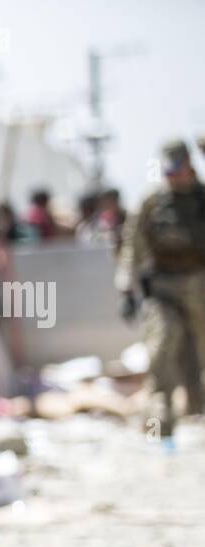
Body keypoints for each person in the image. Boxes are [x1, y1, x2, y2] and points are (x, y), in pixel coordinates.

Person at [116, 139, 205, 436]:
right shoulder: (152, 202)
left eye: (177, 169)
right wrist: (126, 288)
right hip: (163, 287)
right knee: (161, 348)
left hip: (200, 286)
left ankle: (198, 410)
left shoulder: (201, 197)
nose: (172, 176)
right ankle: (159, 421)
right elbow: (132, 244)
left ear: (189, 166)